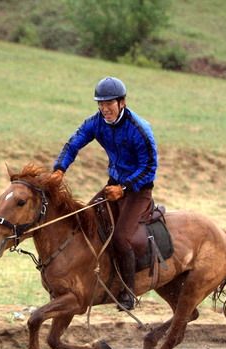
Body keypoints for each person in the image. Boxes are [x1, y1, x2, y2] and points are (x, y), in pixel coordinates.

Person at [51, 76, 158, 311]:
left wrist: (124, 188)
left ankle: (128, 293)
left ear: (122, 102)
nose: (104, 109)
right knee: (85, 221)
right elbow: (73, 144)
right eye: (100, 103)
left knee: (121, 237)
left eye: (109, 103)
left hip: (137, 191)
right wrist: (59, 169)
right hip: (113, 185)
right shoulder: (96, 122)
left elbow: (149, 168)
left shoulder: (139, 129)